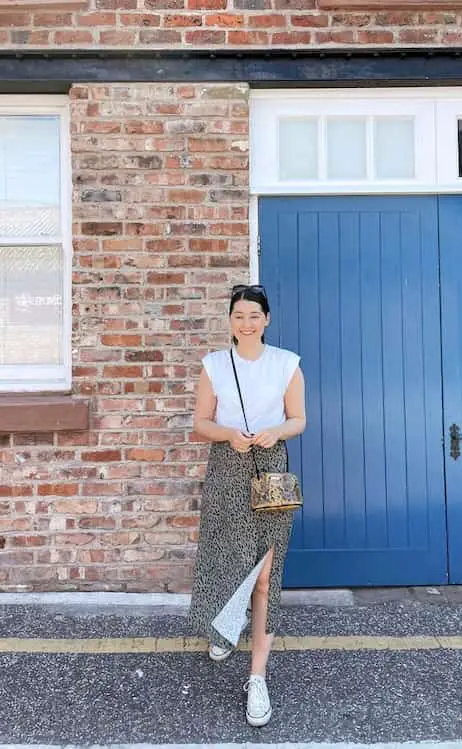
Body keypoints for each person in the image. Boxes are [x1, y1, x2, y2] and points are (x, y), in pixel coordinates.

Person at [187, 283, 306, 727]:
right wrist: (227, 433)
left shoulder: (286, 364)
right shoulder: (214, 365)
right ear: (231, 320)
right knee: (224, 555)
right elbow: (201, 422)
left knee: (265, 573)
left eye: (254, 314)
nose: (247, 322)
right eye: (239, 314)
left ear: (267, 319)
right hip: (228, 465)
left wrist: (277, 431)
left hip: (272, 467)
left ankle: (257, 677)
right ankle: (223, 627)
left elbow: (299, 419)